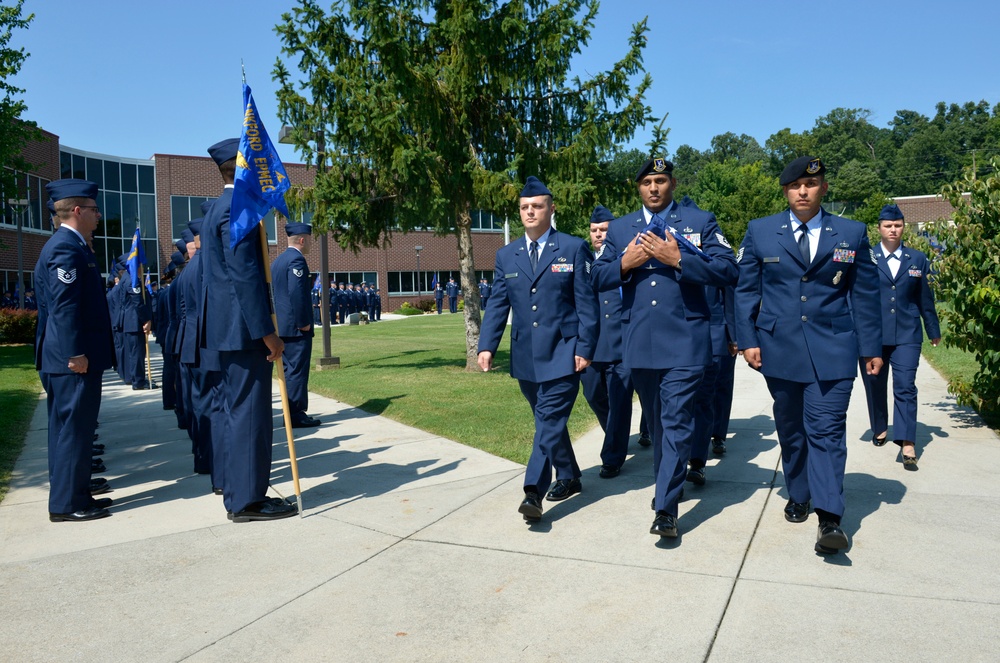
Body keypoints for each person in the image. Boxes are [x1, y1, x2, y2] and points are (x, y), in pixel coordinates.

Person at [734, 155, 883, 554]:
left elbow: (864, 295)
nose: (803, 191)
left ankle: (830, 516)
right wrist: (747, 339)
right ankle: (798, 492)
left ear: (824, 188)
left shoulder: (851, 233)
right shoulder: (761, 231)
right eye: (795, 185)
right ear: (785, 190)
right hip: (778, 350)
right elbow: (746, 290)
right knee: (791, 429)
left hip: (834, 349)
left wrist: (870, 348)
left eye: (811, 184)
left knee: (827, 430)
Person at [592, 157, 738, 540]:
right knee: (658, 425)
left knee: (675, 421)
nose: (654, 188)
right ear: (637, 188)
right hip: (639, 343)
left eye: (660, 181)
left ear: (672, 184)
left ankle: (666, 509)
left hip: (687, 342)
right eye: (647, 182)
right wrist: (625, 262)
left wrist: (679, 259)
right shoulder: (622, 228)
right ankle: (666, 487)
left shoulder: (700, 222)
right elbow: (596, 277)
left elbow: (728, 271)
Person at [478, 176, 598, 523]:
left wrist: (585, 347)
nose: (530, 212)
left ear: (551, 208)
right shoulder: (506, 254)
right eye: (524, 207)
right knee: (548, 422)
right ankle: (570, 475)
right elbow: (498, 304)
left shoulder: (573, 248)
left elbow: (586, 306)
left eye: (537, 206)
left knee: (547, 421)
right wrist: (487, 346)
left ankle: (533, 491)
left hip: (564, 351)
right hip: (526, 356)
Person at [199, 138, 295, 523]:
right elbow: (244, 275)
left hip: (232, 331)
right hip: (243, 331)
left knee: (240, 412)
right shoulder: (236, 210)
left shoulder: (222, 208)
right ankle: (247, 501)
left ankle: (243, 493)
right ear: (243, 170)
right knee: (250, 415)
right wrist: (266, 331)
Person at [35, 179, 115, 521]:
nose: (99, 216)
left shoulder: (74, 245)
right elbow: (65, 307)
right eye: (95, 210)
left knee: (72, 428)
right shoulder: (65, 249)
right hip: (71, 359)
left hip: (71, 356)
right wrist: (75, 352)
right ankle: (68, 503)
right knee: (73, 428)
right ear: (78, 211)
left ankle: (75, 491)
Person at [860, 203, 940, 468]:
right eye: (887, 226)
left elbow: (924, 298)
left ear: (903, 227)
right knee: (875, 384)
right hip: (873, 334)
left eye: (897, 225)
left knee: (905, 386)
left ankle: (907, 443)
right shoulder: (867, 257)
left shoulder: (917, 259)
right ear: (879, 228)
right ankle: (880, 426)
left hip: (907, 333)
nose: (893, 230)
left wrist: (933, 329)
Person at [581, 205, 642, 479]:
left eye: (604, 229)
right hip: (593, 346)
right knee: (593, 394)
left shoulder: (629, 257)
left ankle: (613, 456)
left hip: (624, 344)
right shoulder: (582, 259)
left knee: (620, 400)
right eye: (594, 230)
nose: (599, 234)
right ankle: (615, 436)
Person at [272, 222, 320, 428]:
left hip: (282, 326)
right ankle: (295, 414)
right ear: (302, 240)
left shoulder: (279, 260)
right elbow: (296, 294)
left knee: (288, 371)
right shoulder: (296, 261)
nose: (310, 243)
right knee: (296, 371)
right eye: (308, 239)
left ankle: (289, 412)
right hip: (295, 328)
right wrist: (303, 323)